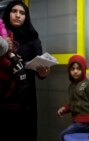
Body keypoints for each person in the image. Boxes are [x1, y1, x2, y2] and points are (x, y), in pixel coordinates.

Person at [0, 1, 50, 141]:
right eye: (14, 11)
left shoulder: (32, 38)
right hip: (3, 95)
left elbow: (38, 66)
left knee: (25, 132)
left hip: (25, 98)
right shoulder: (2, 36)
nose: (18, 15)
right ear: (8, 13)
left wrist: (43, 73)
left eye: (22, 13)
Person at [57, 54, 89, 141]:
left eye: (78, 68)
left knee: (62, 135)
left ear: (84, 69)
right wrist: (64, 109)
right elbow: (73, 103)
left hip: (87, 122)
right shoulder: (72, 86)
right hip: (77, 121)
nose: (75, 71)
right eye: (73, 69)